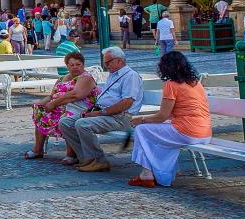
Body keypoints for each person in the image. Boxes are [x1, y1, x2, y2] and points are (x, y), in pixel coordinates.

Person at [130, 51, 212, 187]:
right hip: (205, 132)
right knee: (157, 135)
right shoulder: (195, 82)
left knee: (141, 130)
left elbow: (162, 116)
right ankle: (161, 172)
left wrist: (141, 119)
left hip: (187, 132)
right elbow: (167, 115)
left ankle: (147, 174)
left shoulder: (171, 84)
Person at [58, 46, 144, 173]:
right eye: (105, 62)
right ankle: (86, 159)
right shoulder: (113, 75)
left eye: (108, 62)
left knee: (83, 124)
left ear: (119, 61)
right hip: (105, 113)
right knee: (65, 122)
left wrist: (100, 112)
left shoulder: (130, 76)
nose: (105, 65)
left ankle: (99, 161)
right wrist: (92, 110)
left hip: (120, 117)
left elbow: (126, 103)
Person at [23, 50, 96, 162]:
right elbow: (52, 96)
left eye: (78, 64)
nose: (75, 67)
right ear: (67, 66)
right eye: (72, 65)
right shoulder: (63, 78)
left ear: (83, 65)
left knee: (66, 116)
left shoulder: (85, 78)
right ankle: (38, 149)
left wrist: (53, 104)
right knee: (40, 111)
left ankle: (71, 154)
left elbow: (75, 95)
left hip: (79, 108)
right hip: (59, 106)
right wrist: (40, 103)